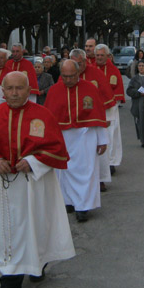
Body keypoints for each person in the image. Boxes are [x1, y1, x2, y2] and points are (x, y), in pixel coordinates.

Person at [0, 72, 75, 288]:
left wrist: (33, 161)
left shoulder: (43, 116)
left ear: (29, 90)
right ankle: (10, 280)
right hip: (5, 186)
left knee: (36, 226)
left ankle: (37, 263)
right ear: (2, 91)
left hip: (34, 185)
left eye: (19, 88)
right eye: (9, 88)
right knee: (7, 230)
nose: (14, 93)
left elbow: (57, 149)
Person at [44, 60, 108, 223]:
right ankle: (68, 201)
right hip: (63, 137)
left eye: (71, 76)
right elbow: (49, 119)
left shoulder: (90, 89)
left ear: (78, 74)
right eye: (64, 76)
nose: (68, 80)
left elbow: (99, 116)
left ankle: (83, 207)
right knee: (63, 172)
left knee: (86, 171)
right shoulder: (54, 91)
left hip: (85, 136)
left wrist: (102, 140)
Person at [69, 49, 115, 192]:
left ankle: (100, 179)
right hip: (73, 122)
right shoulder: (67, 76)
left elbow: (106, 96)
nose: (77, 67)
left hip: (92, 120)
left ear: (85, 61)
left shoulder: (96, 74)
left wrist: (105, 118)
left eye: (79, 63)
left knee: (98, 151)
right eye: (74, 63)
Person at [94, 44, 124, 175]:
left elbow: (117, 89)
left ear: (107, 56)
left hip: (109, 109)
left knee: (110, 135)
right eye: (97, 55)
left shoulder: (113, 70)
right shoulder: (91, 70)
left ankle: (111, 162)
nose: (99, 58)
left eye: (102, 55)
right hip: (94, 109)